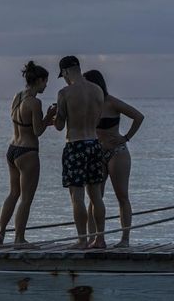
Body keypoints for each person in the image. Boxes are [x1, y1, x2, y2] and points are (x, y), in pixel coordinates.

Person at [0, 61, 56, 247]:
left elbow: (23, 123)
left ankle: (0, 233)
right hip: (28, 152)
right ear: (39, 80)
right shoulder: (35, 102)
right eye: (45, 81)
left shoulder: (17, 97)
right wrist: (49, 116)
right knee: (26, 199)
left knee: (13, 193)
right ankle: (19, 239)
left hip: (12, 149)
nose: (46, 85)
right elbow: (37, 131)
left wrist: (45, 120)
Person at [83, 70, 144, 248]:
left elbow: (138, 116)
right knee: (95, 198)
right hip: (96, 154)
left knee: (122, 196)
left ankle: (125, 239)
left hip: (117, 152)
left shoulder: (111, 102)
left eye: (87, 84)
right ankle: (94, 238)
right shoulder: (86, 105)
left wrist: (125, 137)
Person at [53, 56, 107, 249]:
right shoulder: (98, 91)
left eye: (64, 75)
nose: (65, 79)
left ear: (66, 72)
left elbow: (60, 125)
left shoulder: (65, 93)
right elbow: (97, 119)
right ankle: (100, 239)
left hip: (75, 145)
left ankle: (82, 240)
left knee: (77, 196)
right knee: (96, 196)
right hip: (94, 143)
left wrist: (53, 115)